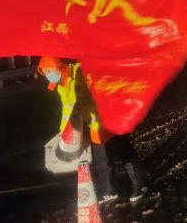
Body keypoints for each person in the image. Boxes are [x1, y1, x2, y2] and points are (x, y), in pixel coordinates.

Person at [38, 56, 146, 205]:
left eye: (49, 71)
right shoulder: (61, 84)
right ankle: (109, 191)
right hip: (95, 123)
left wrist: (93, 116)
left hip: (110, 116)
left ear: (59, 67)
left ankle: (140, 185)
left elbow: (97, 94)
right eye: (45, 73)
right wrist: (63, 129)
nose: (48, 75)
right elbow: (67, 107)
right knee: (102, 158)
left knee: (122, 150)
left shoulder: (81, 72)